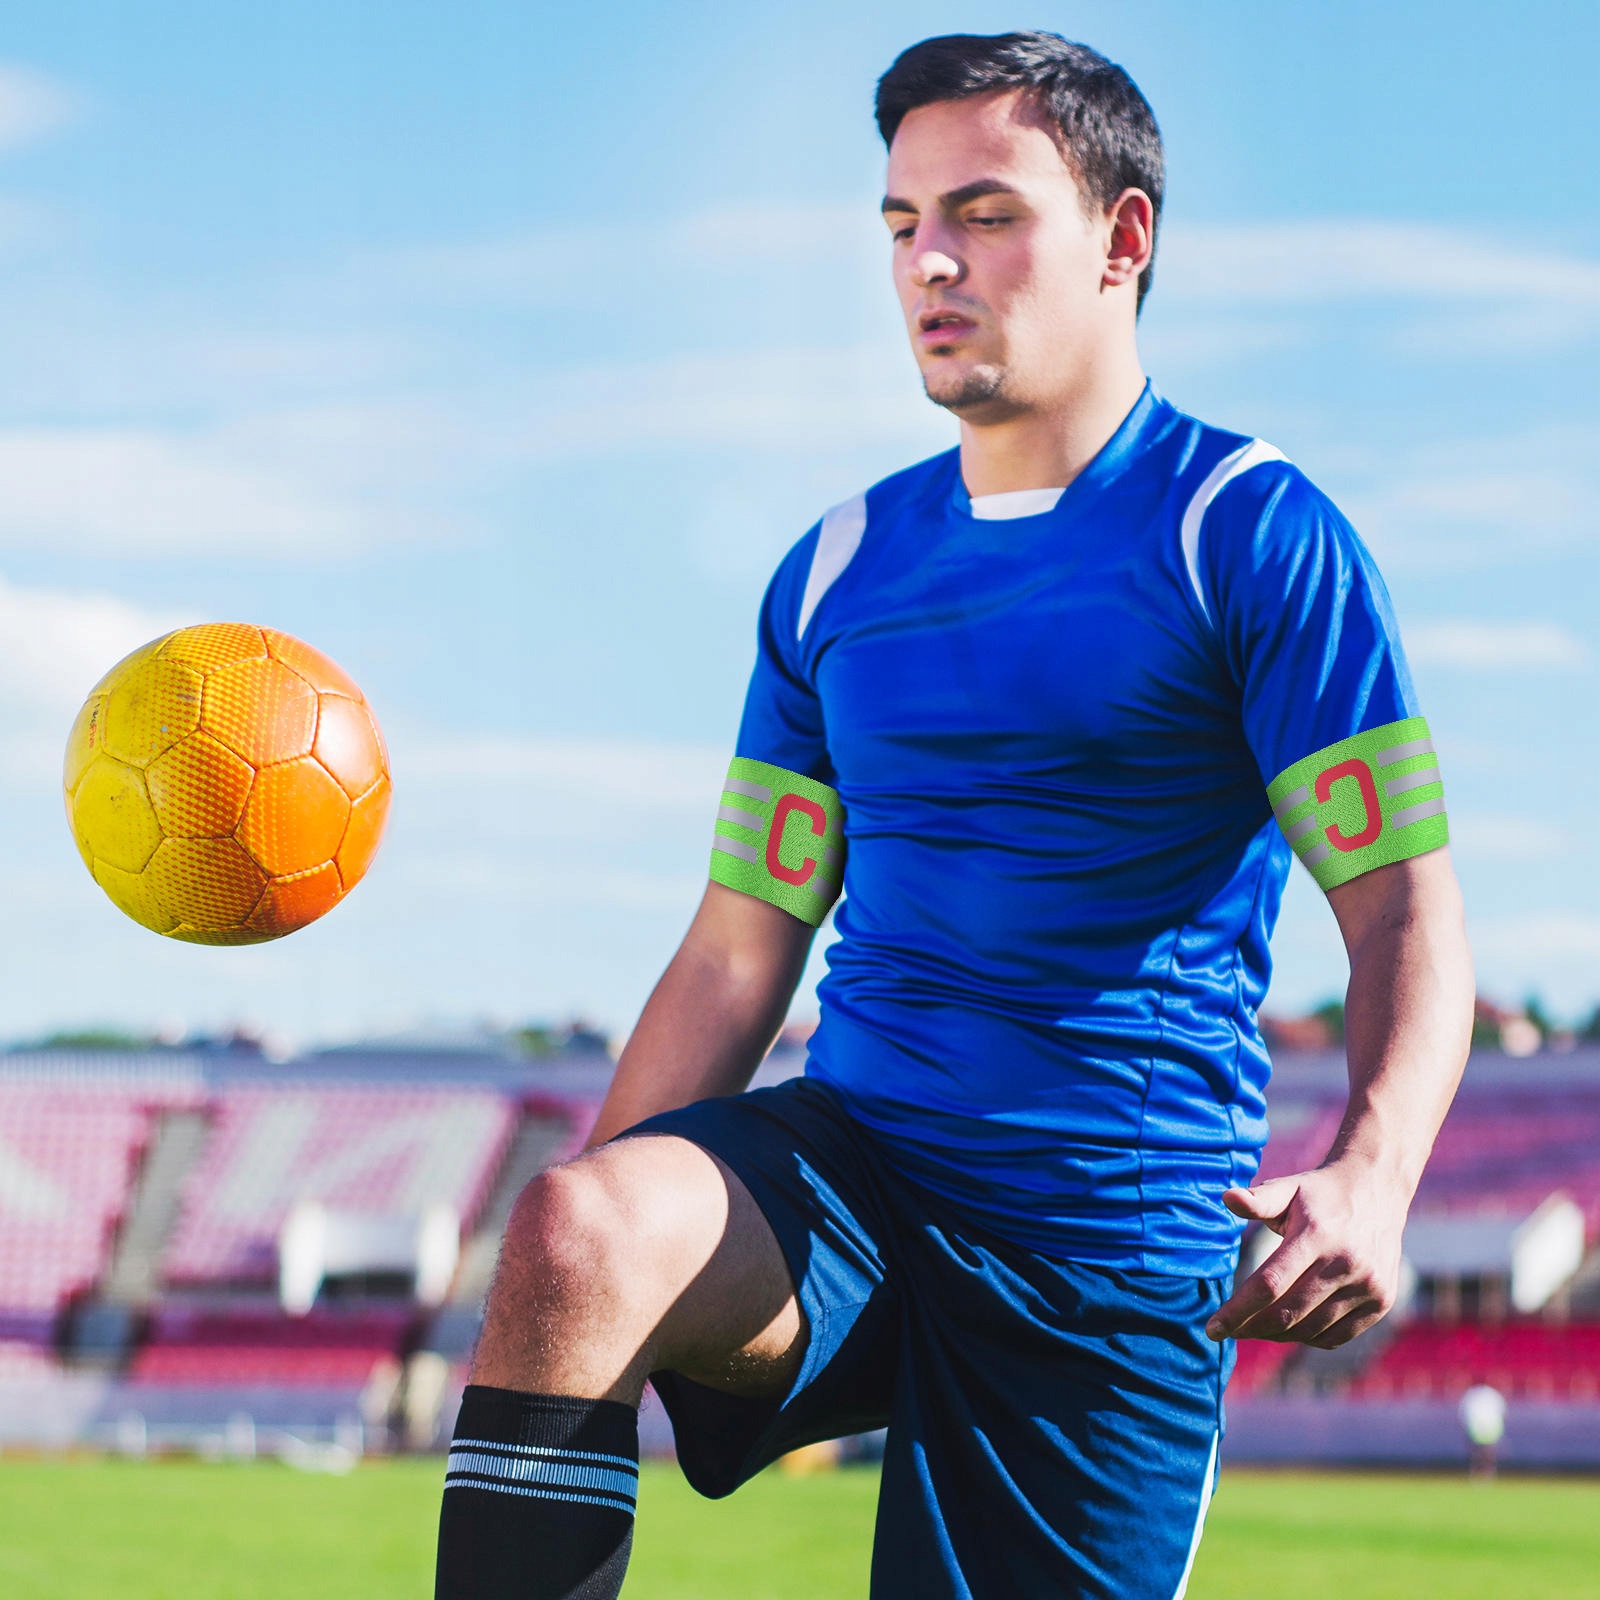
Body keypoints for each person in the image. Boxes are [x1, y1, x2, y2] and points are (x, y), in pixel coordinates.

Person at [434, 31, 1475, 1600]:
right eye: (903, 223)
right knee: (577, 1233)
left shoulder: (1250, 535)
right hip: (854, 1181)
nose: (931, 261)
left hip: (1100, 1249)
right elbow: (734, 953)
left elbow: (1402, 903)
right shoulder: (835, 571)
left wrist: (1375, 1174)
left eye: (986, 215)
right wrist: (578, 1295)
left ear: (1124, 239)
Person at [1459, 1380, 1508, 1479]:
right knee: (1481, 1453)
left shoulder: (1474, 1395)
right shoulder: (1488, 1394)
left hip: (1485, 1427)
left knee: (1484, 1453)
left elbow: (1463, 1412)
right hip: (1483, 1427)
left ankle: (1484, 1472)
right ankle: (1482, 1472)